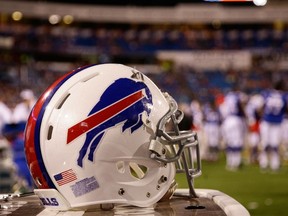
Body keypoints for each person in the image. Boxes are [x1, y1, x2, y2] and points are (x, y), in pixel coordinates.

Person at [259, 80, 288, 171]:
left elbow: (261, 108)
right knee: (274, 144)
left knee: (265, 143)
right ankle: (275, 165)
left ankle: (263, 163)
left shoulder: (267, 94)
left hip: (266, 121)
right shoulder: (284, 96)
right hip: (277, 122)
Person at [220, 88, 247, 170]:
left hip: (227, 121)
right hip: (236, 119)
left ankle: (229, 163)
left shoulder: (226, 97)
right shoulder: (238, 96)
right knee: (236, 141)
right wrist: (245, 116)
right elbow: (241, 106)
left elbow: (222, 110)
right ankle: (236, 162)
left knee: (229, 142)